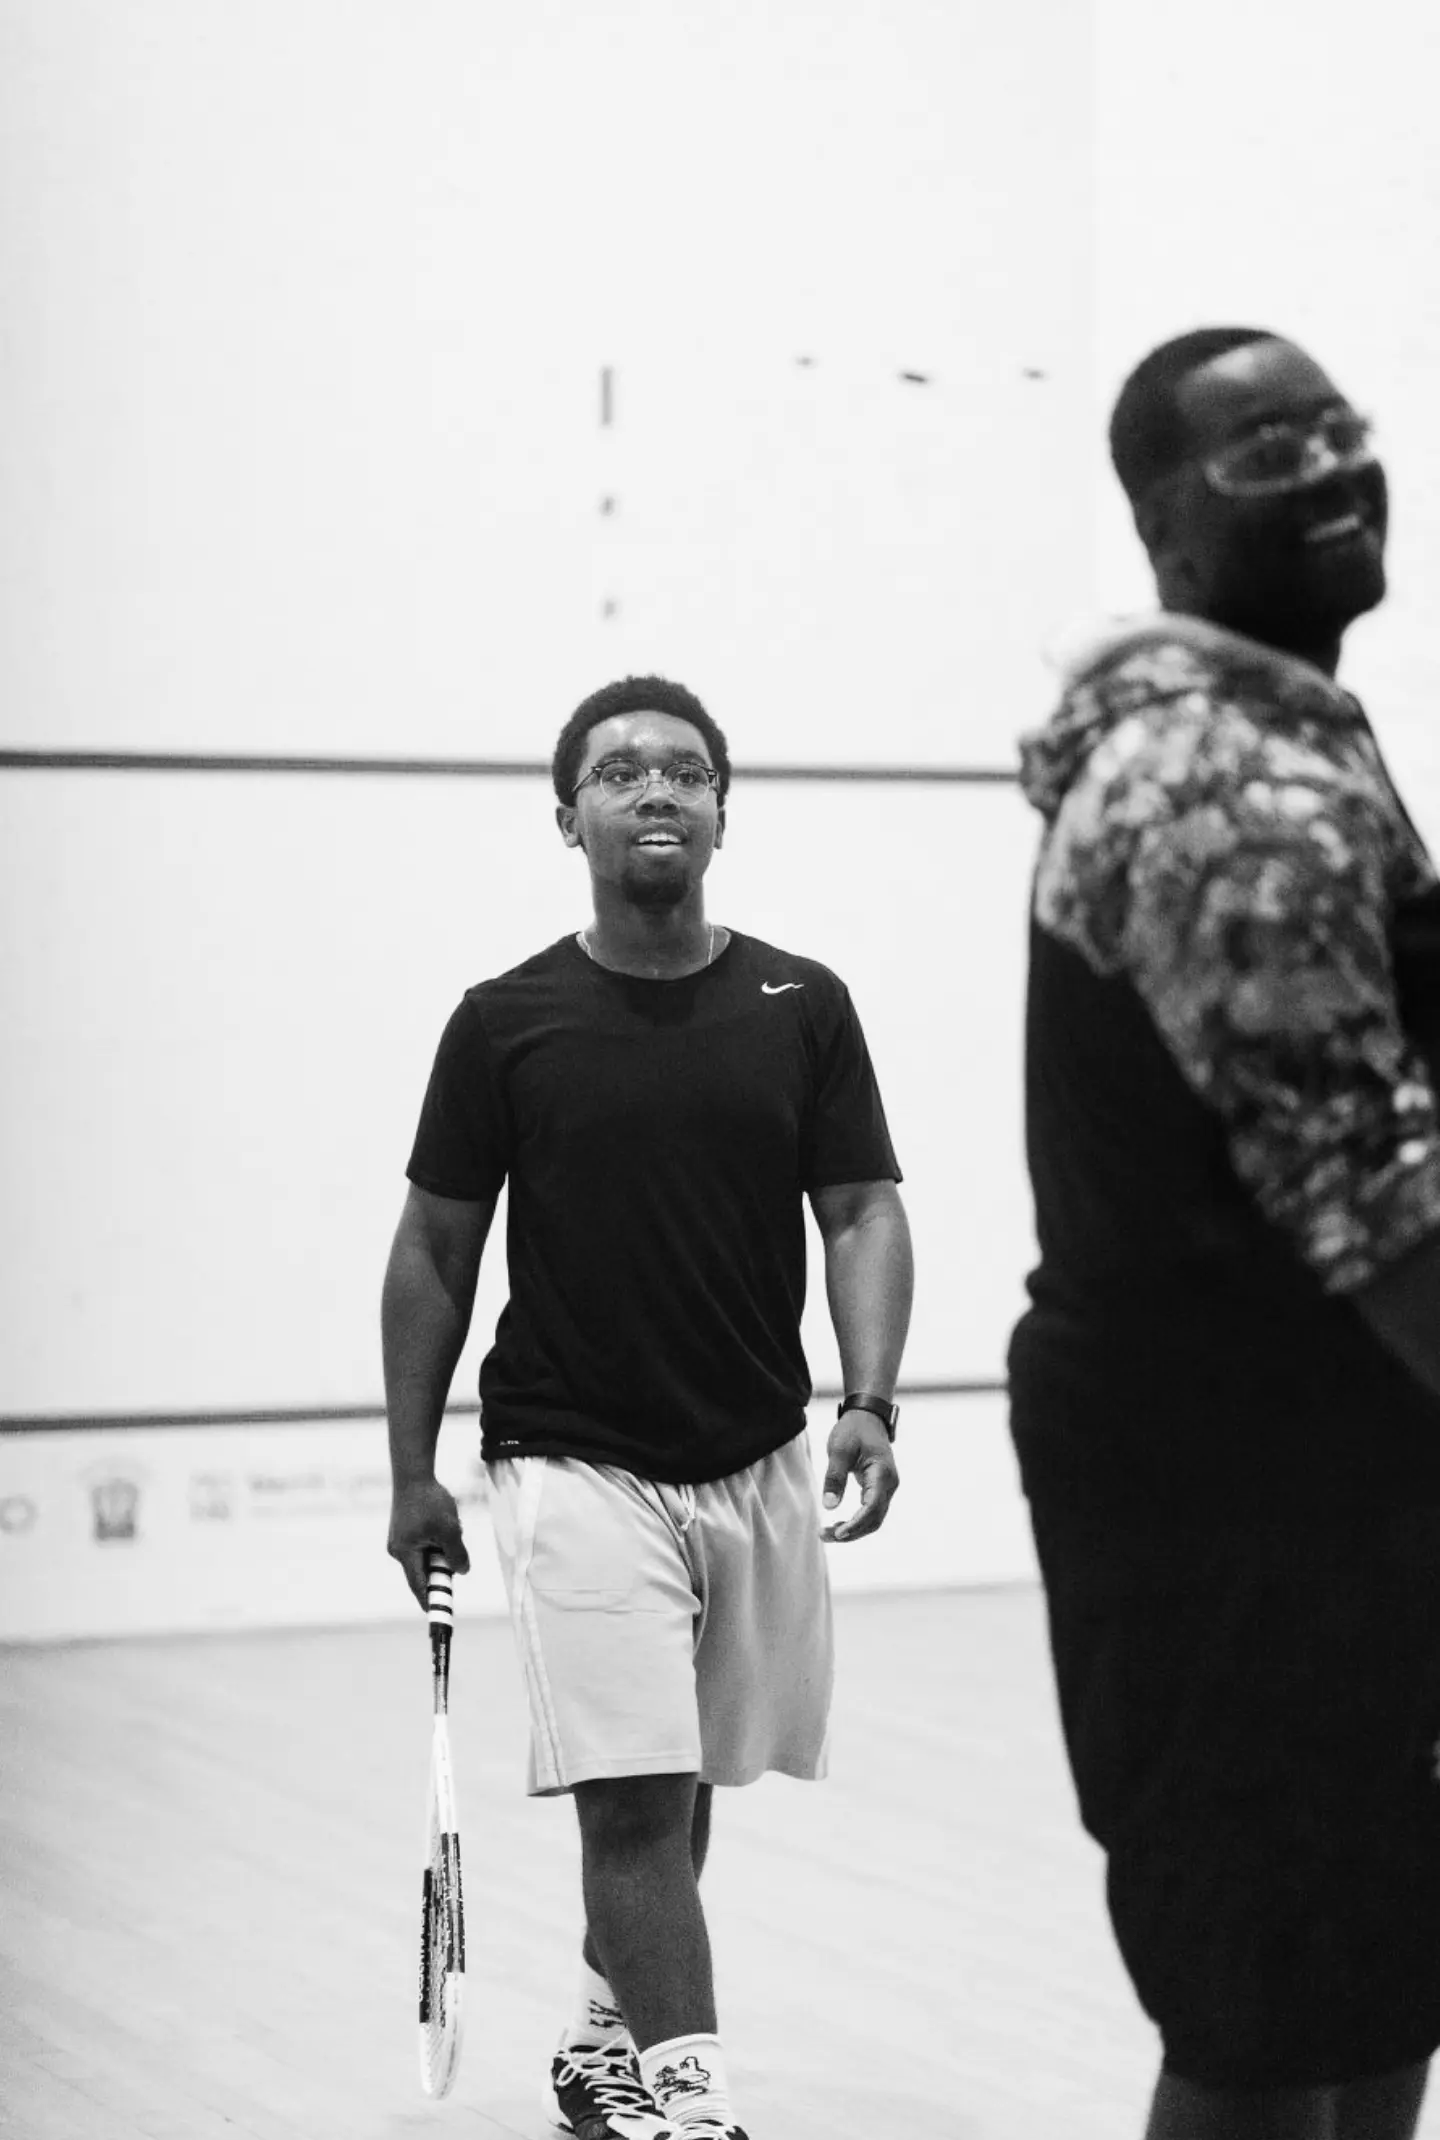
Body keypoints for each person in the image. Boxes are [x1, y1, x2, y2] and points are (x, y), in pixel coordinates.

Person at [1008, 326, 1440, 2140]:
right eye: (1270, 446)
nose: (1335, 465)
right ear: (1165, 525)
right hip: (1225, 1504)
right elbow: (1371, 1200)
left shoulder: (1291, 749)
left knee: (1376, 1975)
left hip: (1326, 1478)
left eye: (1343, 428)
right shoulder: (1217, 784)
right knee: (1270, 2015)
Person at [383, 674, 913, 2140]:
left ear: (724, 810)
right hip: (571, 1459)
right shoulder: (505, 1023)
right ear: (569, 818)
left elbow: (862, 1210)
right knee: (632, 1798)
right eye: (620, 773)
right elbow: (435, 1247)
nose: (658, 790)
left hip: (752, 1455)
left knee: (681, 1788)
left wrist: (869, 1398)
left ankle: (602, 2043)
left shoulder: (804, 1005)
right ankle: (692, 2109)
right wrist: (408, 1470)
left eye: (686, 770)